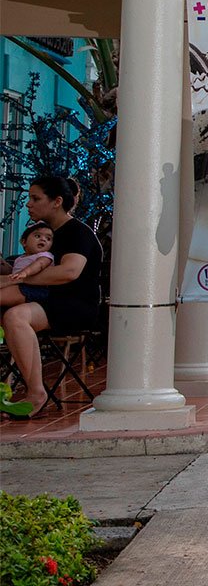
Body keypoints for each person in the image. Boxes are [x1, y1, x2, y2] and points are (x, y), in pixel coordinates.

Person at [0, 178, 104, 418]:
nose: (28, 204)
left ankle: (36, 393)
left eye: (36, 198)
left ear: (57, 202)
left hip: (75, 305)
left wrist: (21, 278)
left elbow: (69, 272)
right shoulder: (46, 235)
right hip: (45, 299)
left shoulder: (78, 233)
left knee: (15, 316)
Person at [0, 221, 57, 307]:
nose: (43, 239)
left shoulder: (45, 256)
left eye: (48, 239)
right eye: (38, 236)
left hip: (34, 288)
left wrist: (25, 272)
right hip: (18, 285)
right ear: (24, 242)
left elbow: (40, 264)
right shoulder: (19, 258)